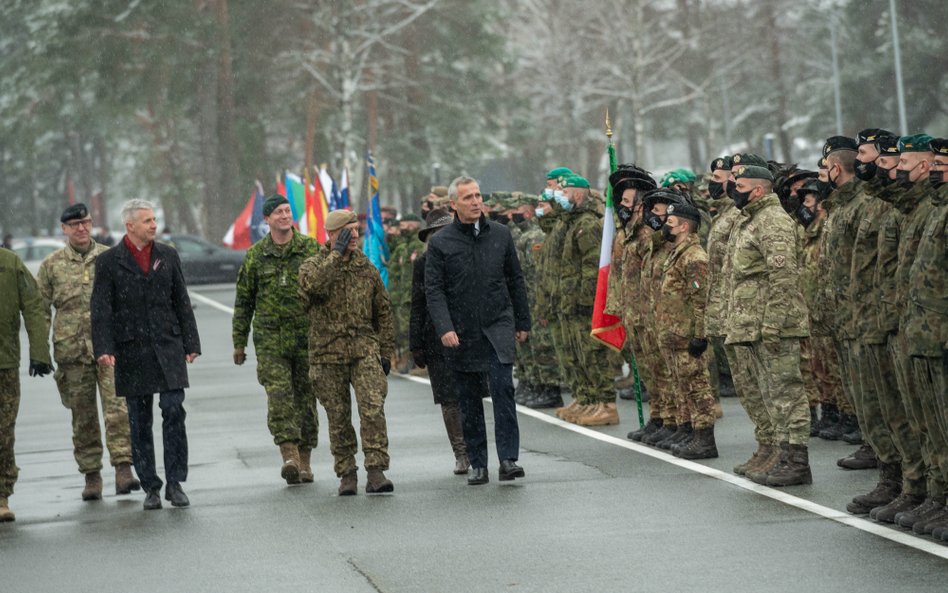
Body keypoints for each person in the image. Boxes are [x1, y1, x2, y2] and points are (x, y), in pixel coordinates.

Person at [91, 199, 201, 510]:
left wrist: (191, 343)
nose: (154, 225)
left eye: (154, 219)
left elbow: (181, 299)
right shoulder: (110, 262)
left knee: (174, 410)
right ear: (130, 226)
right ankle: (151, 486)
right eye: (147, 221)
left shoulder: (167, 254)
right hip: (131, 350)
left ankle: (175, 483)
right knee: (139, 421)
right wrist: (104, 348)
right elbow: (101, 310)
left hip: (167, 345)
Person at [425, 176, 531, 486]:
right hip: (461, 332)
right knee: (469, 400)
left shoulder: (500, 235)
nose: (475, 202)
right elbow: (435, 291)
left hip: (497, 326)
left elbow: (515, 279)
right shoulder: (442, 243)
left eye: (478, 195)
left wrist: (522, 322)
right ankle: (478, 463)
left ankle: (509, 459)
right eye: (468, 197)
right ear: (453, 205)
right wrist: (444, 328)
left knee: (503, 391)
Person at [37, 203, 139, 501]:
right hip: (72, 352)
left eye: (86, 223)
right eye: (75, 225)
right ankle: (91, 476)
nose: (81, 228)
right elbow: (40, 310)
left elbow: (129, 300)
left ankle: (123, 469)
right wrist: (40, 351)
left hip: (111, 349)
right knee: (83, 417)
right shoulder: (51, 265)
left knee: (118, 410)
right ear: (64, 229)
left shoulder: (111, 257)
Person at [724, 164, 811, 487]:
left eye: (741, 185)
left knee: (787, 392)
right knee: (773, 394)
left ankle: (797, 460)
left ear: (758, 190)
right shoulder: (752, 219)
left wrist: (772, 324)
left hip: (775, 325)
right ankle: (783, 455)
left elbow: (783, 276)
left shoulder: (773, 220)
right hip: (755, 325)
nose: (735, 189)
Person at [298, 209, 395, 496]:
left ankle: (376, 471)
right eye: (346, 231)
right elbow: (313, 288)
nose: (354, 235)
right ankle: (347, 473)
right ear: (331, 235)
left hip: (363, 349)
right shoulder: (313, 266)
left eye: (356, 229)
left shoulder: (366, 267)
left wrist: (385, 351)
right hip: (327, 354)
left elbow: (383, 312)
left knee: (373, 409)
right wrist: (335, 258)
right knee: (338, 417)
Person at [232, 195, 321, 485]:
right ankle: (290, 456)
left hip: (306, 338)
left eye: (287, 211)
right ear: (267, 219)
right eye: (278, 212)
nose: (284, 216)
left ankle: (305, 459)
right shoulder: (256, 255)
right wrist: (239, 341)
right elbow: (244, 300)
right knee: (279, 397)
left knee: (306, 399)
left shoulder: (309, 248)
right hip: (270, 340)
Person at [557, 175, 622, 426]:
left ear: (578, 195)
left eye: (565, 192)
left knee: (593, 354)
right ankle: (589, 400)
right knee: (580, 355)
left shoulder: (587, 224)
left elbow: (592, 266)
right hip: (571, 302)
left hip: (585, 304)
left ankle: (605, 403)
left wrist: (585, 301)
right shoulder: (572, 223)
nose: (561, 197)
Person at [409, 208, 469, 475]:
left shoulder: (468, 255)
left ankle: (476, 447)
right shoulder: (422, 264)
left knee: (470, 394)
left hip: (468, 333)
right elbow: (417, 305)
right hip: (435, 338)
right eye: (438, 233)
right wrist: (416, 344)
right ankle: (461, 452)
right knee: (448, 398)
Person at [656, 202, 718, 459]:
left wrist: (700, 336)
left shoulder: (694, 257)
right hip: (674, 334)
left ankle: (705, 438)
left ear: (684, 226)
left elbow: (700, 300)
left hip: (687, 337)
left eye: (670, 223)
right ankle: (689, 429)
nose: (665, 227)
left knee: (698, 387)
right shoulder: (677, 252)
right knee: (682, 386)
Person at [0, 247, 52, 521]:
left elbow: (32, 305)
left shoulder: (9, 262)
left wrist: (40, 353)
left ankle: (1, 495)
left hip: (4, 363)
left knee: (3, 432)